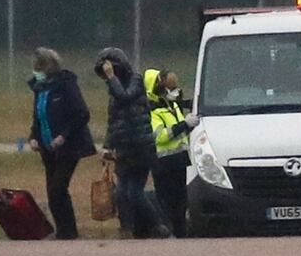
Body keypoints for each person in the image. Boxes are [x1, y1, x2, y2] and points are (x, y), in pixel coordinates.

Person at [96, 47, 170, 239]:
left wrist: (112, 78)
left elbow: (125, 97)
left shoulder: (135, 81)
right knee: (121, 192)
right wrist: (106, 146)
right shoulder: (114, 89)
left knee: (135, 192)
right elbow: (113, 121)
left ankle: (157, 225)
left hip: (140, 147)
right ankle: (127, 229)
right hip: (123, 147)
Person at [27, 47, 97, 240]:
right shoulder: (39, 89)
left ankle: (69, 230)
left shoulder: (66, 85)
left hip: (69, 146)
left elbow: (81, 114)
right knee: (52, 190)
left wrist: (63, 136)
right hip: (47, 148)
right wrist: (33, 136)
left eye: (39, 66)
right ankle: (63, 230)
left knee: (58, 187)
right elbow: (38, 117)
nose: (36, 70)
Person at [145, 68, 199, 237]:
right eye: (168, 88)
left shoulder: (173, 108)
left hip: (179, 161)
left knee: (181, 203)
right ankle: (167, 234)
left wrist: (189, 127)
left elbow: (180, 134)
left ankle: (181, 234)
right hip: (164, 163)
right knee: (166, 203)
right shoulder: (153, 113)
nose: (174, 91)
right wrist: (185, 125)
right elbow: (161, 136)